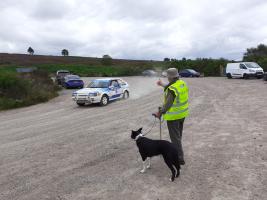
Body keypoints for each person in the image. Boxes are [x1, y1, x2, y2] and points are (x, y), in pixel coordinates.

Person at [153, 68, 189, 165]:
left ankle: (179, 158)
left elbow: (168, 104)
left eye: (168, 77)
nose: (167, 79)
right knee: (178, 136)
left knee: (175, 139)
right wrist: (162, 84)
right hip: (182, 115)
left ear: (170, 77)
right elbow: (171, 87)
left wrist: (159, 112)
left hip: (174, 117)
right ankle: (177, 153)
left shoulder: (172, 89)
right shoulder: (181, 83)